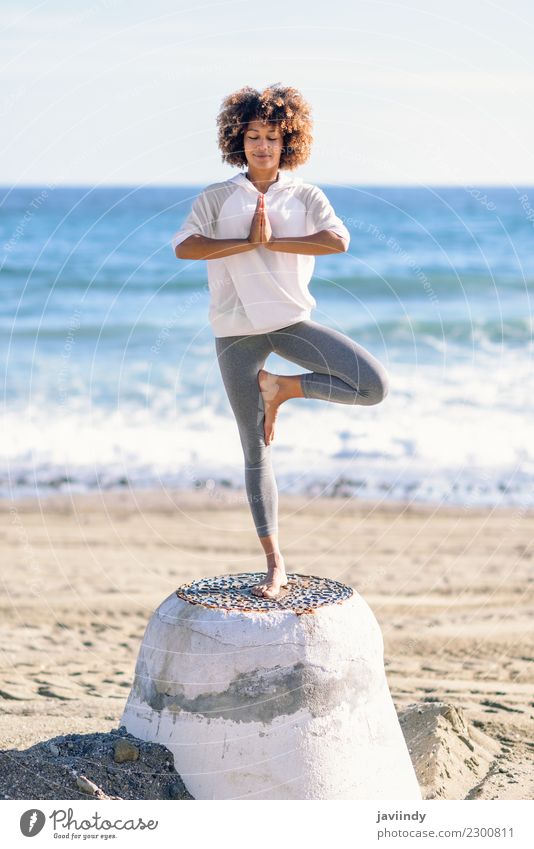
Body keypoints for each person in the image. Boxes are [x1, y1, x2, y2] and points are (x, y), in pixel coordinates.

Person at [172, 83, 389, 599]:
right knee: (255, 451)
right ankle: (275, 563)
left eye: (272, 136)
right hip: (235, 331)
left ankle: (286, 389)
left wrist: (271, 241)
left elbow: (338, 240)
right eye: (253, 136)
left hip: (290, 322)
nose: (262, 146)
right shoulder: (217, 197)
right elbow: (185, 248)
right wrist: (245, 242)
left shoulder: (305, 195)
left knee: (372, 385)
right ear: (237, 140)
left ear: (288, 140)